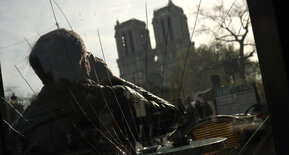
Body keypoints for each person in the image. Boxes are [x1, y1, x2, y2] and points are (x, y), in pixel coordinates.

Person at [9, 29, 178, 155]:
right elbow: (171, 117)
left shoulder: (20, 127)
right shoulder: (114, 99)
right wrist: (112, 79)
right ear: (85, 65)